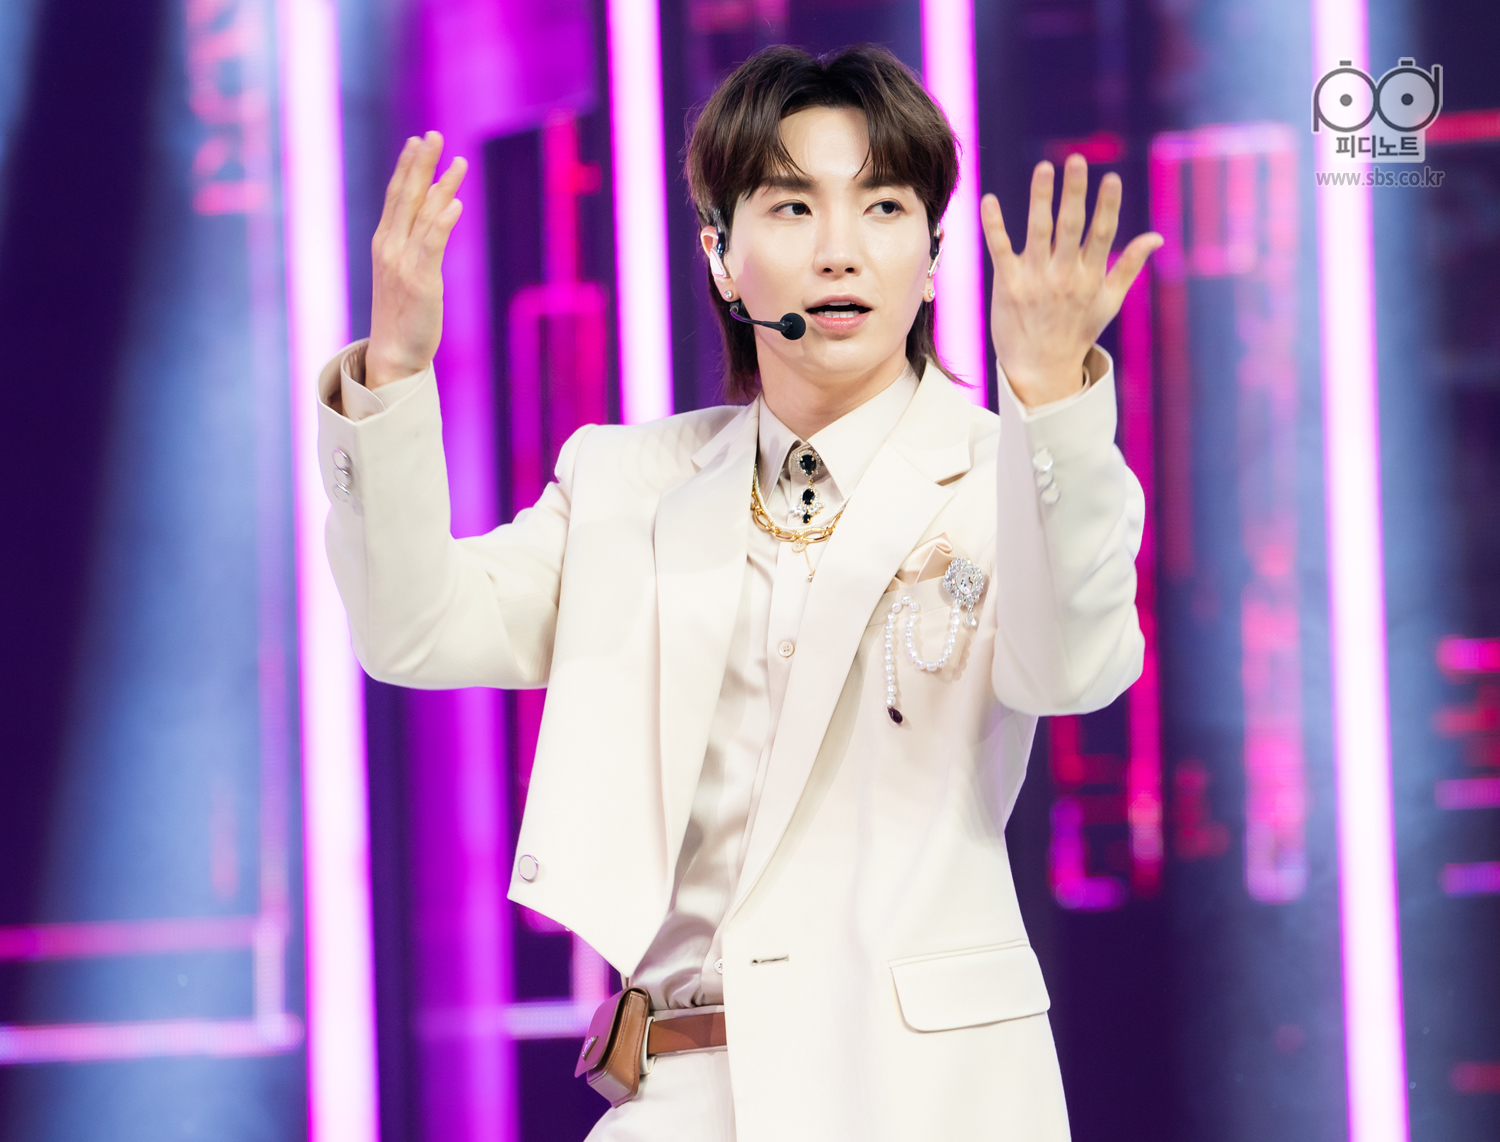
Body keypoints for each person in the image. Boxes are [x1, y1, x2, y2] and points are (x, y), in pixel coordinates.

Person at [317, 43, 1159, 1142]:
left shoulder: (1012, 473)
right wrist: (392, 375)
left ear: (932, 259)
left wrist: (1050, 400)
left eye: (885, 207)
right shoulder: (627, 483)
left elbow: (1077, 668)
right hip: (679, 1089)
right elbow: (415, 629)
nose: (841, 249)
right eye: (793, 207)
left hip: (925, 1092)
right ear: (721, 256)